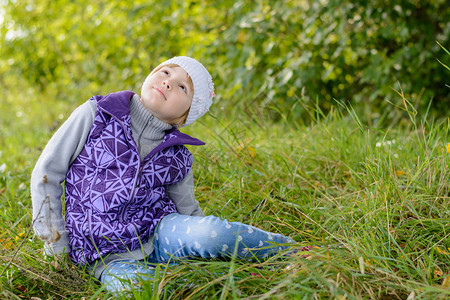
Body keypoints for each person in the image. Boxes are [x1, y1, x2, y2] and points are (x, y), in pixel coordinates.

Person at [31, 56, 299, 293]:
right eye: (166, 72)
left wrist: (200, 238)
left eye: (183, 87)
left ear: (184, 116)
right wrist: (55, 245)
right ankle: (237, 279)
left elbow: (187, 209)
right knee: (139, 289)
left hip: (160, 232)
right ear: (151, 75)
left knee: (212, 233)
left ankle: (295, 254)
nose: (169, 82)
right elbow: (47, 174)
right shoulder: (98, 114)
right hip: (106, 255)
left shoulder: (177, 153)